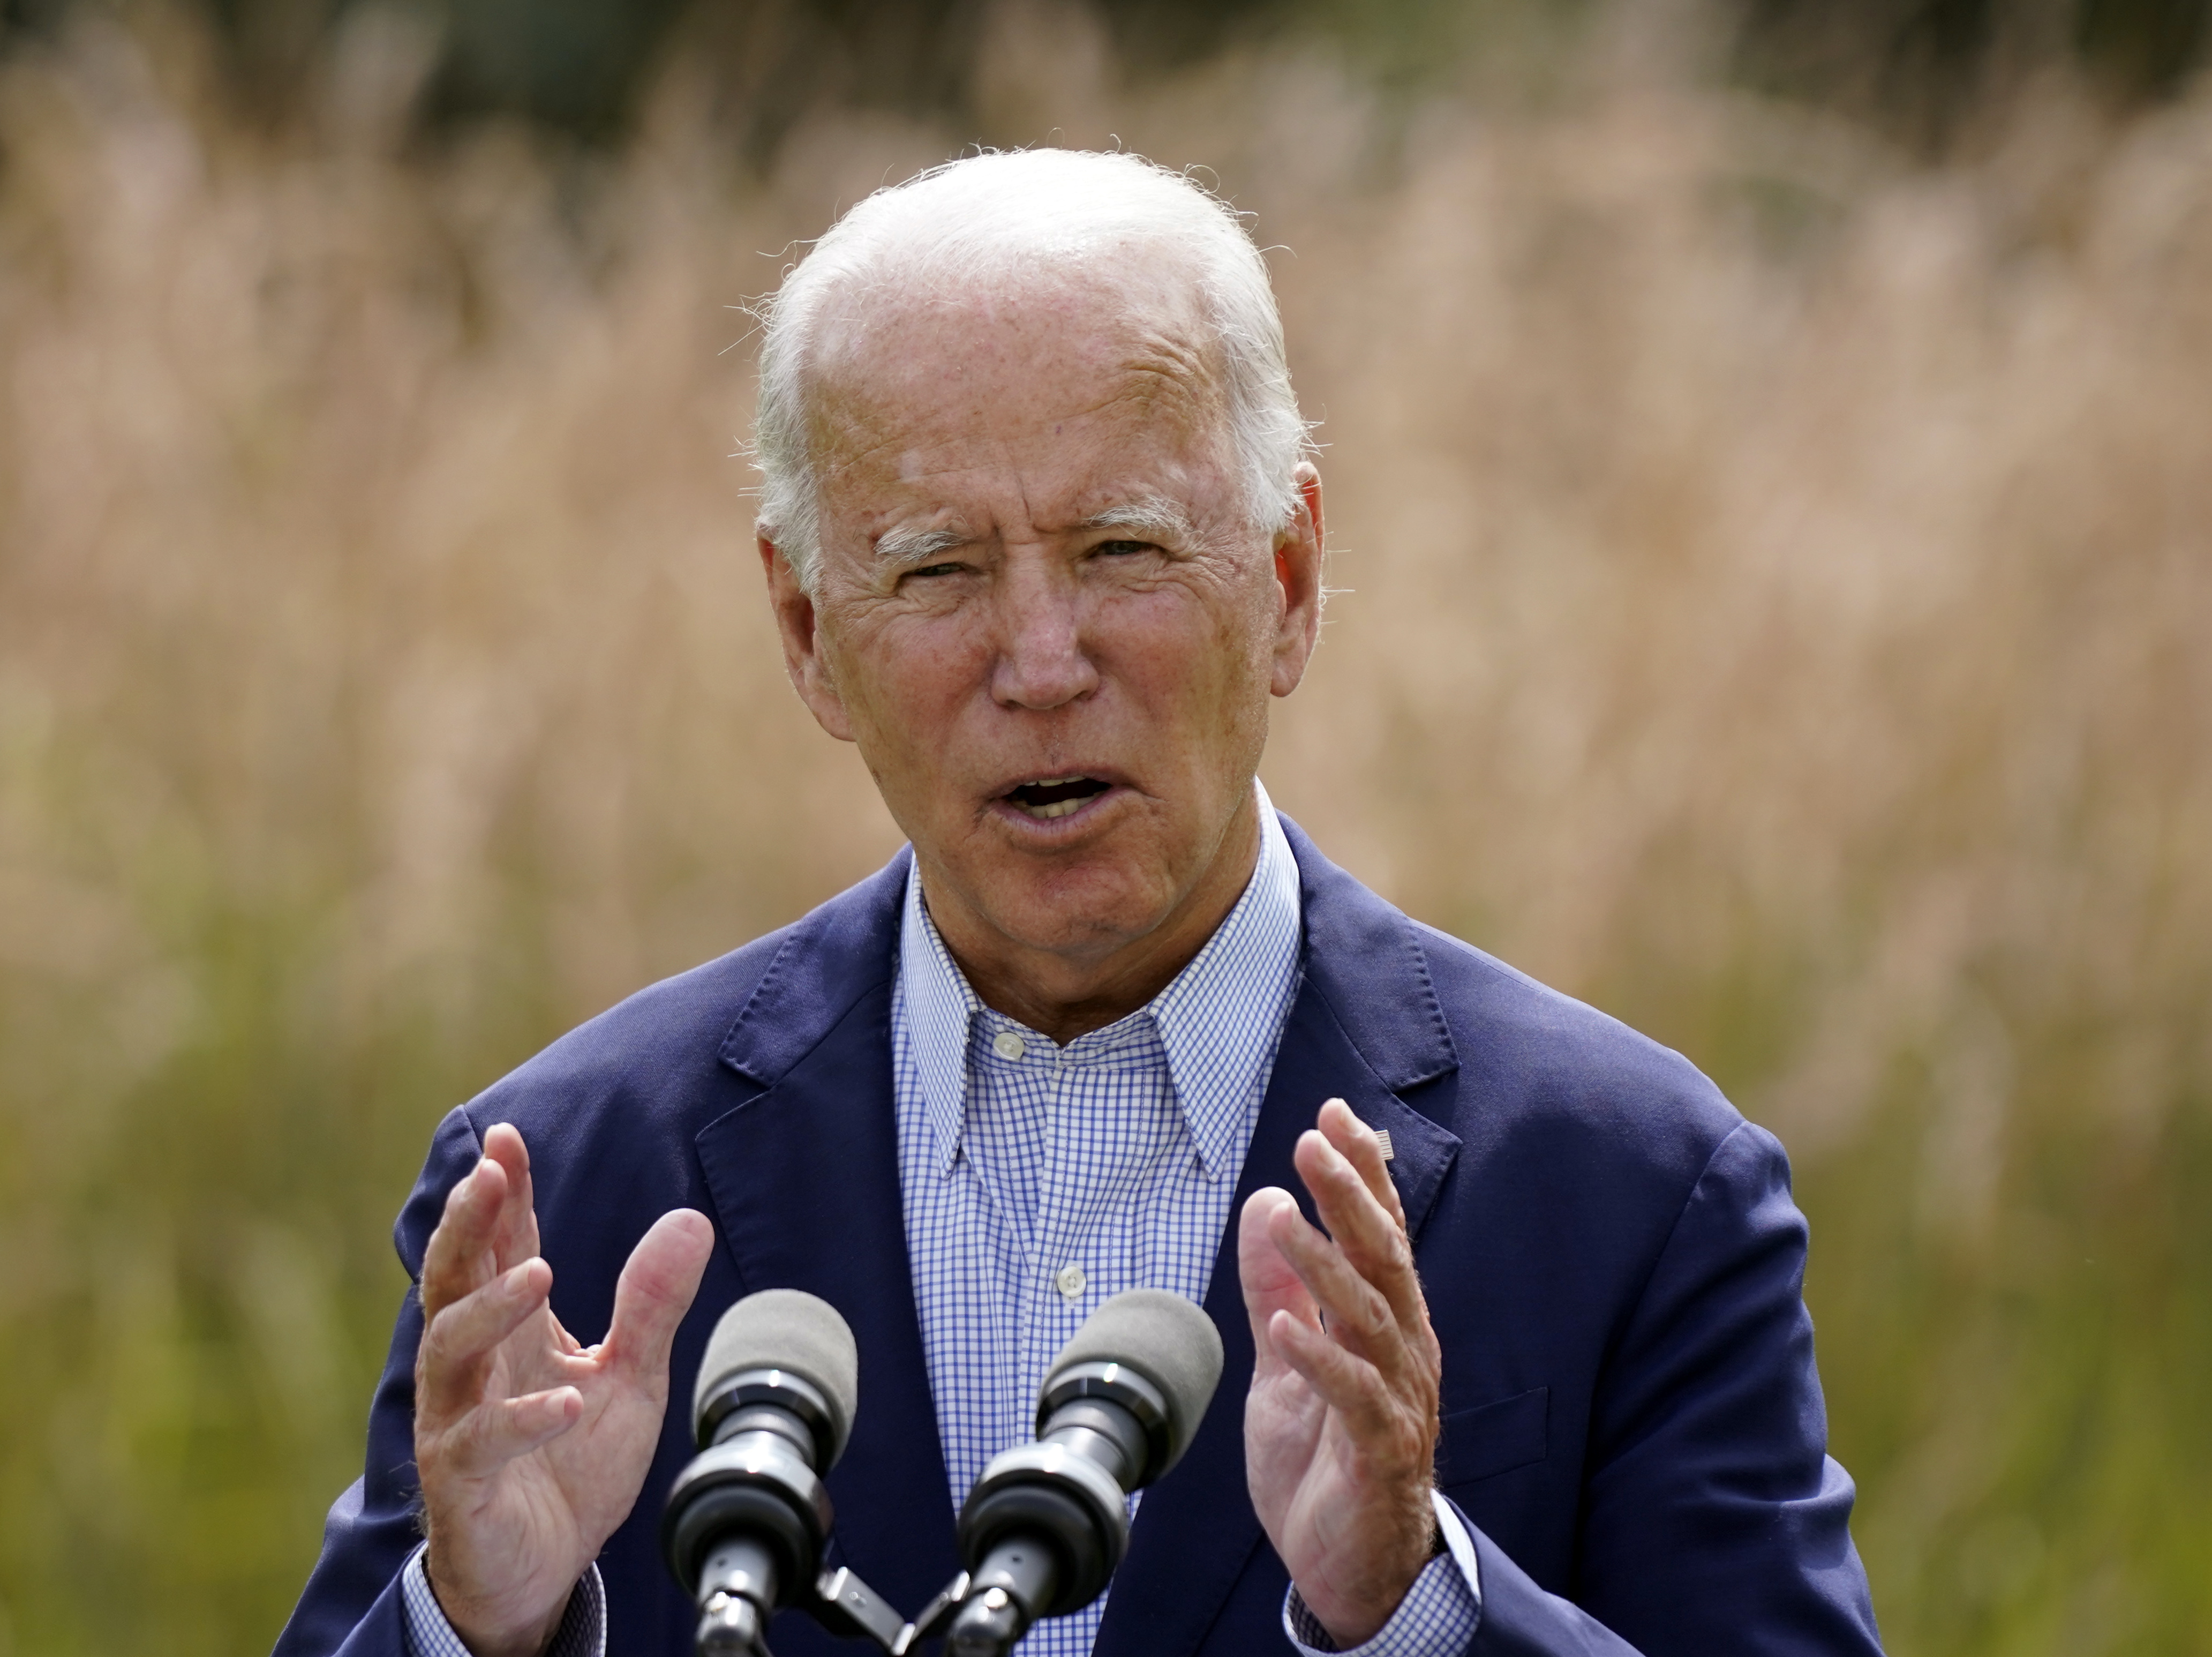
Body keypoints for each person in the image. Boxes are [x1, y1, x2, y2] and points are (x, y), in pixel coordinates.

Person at [275, 149, 1883, 1657]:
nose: (1040, 665)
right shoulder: (563, 1192)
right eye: (934, 571)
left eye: (1121, 548)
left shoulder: (1630, 1188)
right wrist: (474, 1631)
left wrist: (1413, 1608)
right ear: (804, 628)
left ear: (1288, 585)